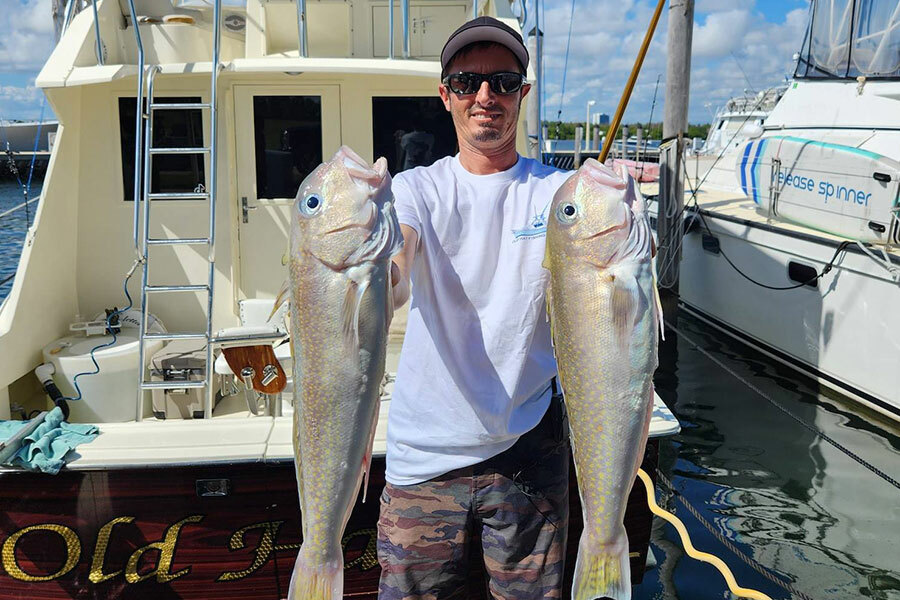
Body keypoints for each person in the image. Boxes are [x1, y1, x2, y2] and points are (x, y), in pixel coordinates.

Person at [378, 16, 572, 600]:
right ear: (445, 96)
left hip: (528, 448)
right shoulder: (417, 190)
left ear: (523, 95)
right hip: (425, 459)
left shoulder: (559, 197)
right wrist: (368, 276)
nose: (485, 96)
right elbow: (394, 267)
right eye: (467, 82)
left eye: (504, 81)